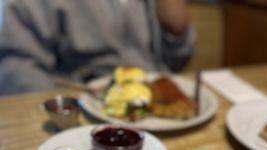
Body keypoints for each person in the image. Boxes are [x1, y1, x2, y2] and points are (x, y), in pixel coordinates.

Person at [0, 0, 195, 94]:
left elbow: (175, 62)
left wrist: (176, 31)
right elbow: (17, 72)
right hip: (82, 116)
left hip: (156, 118)